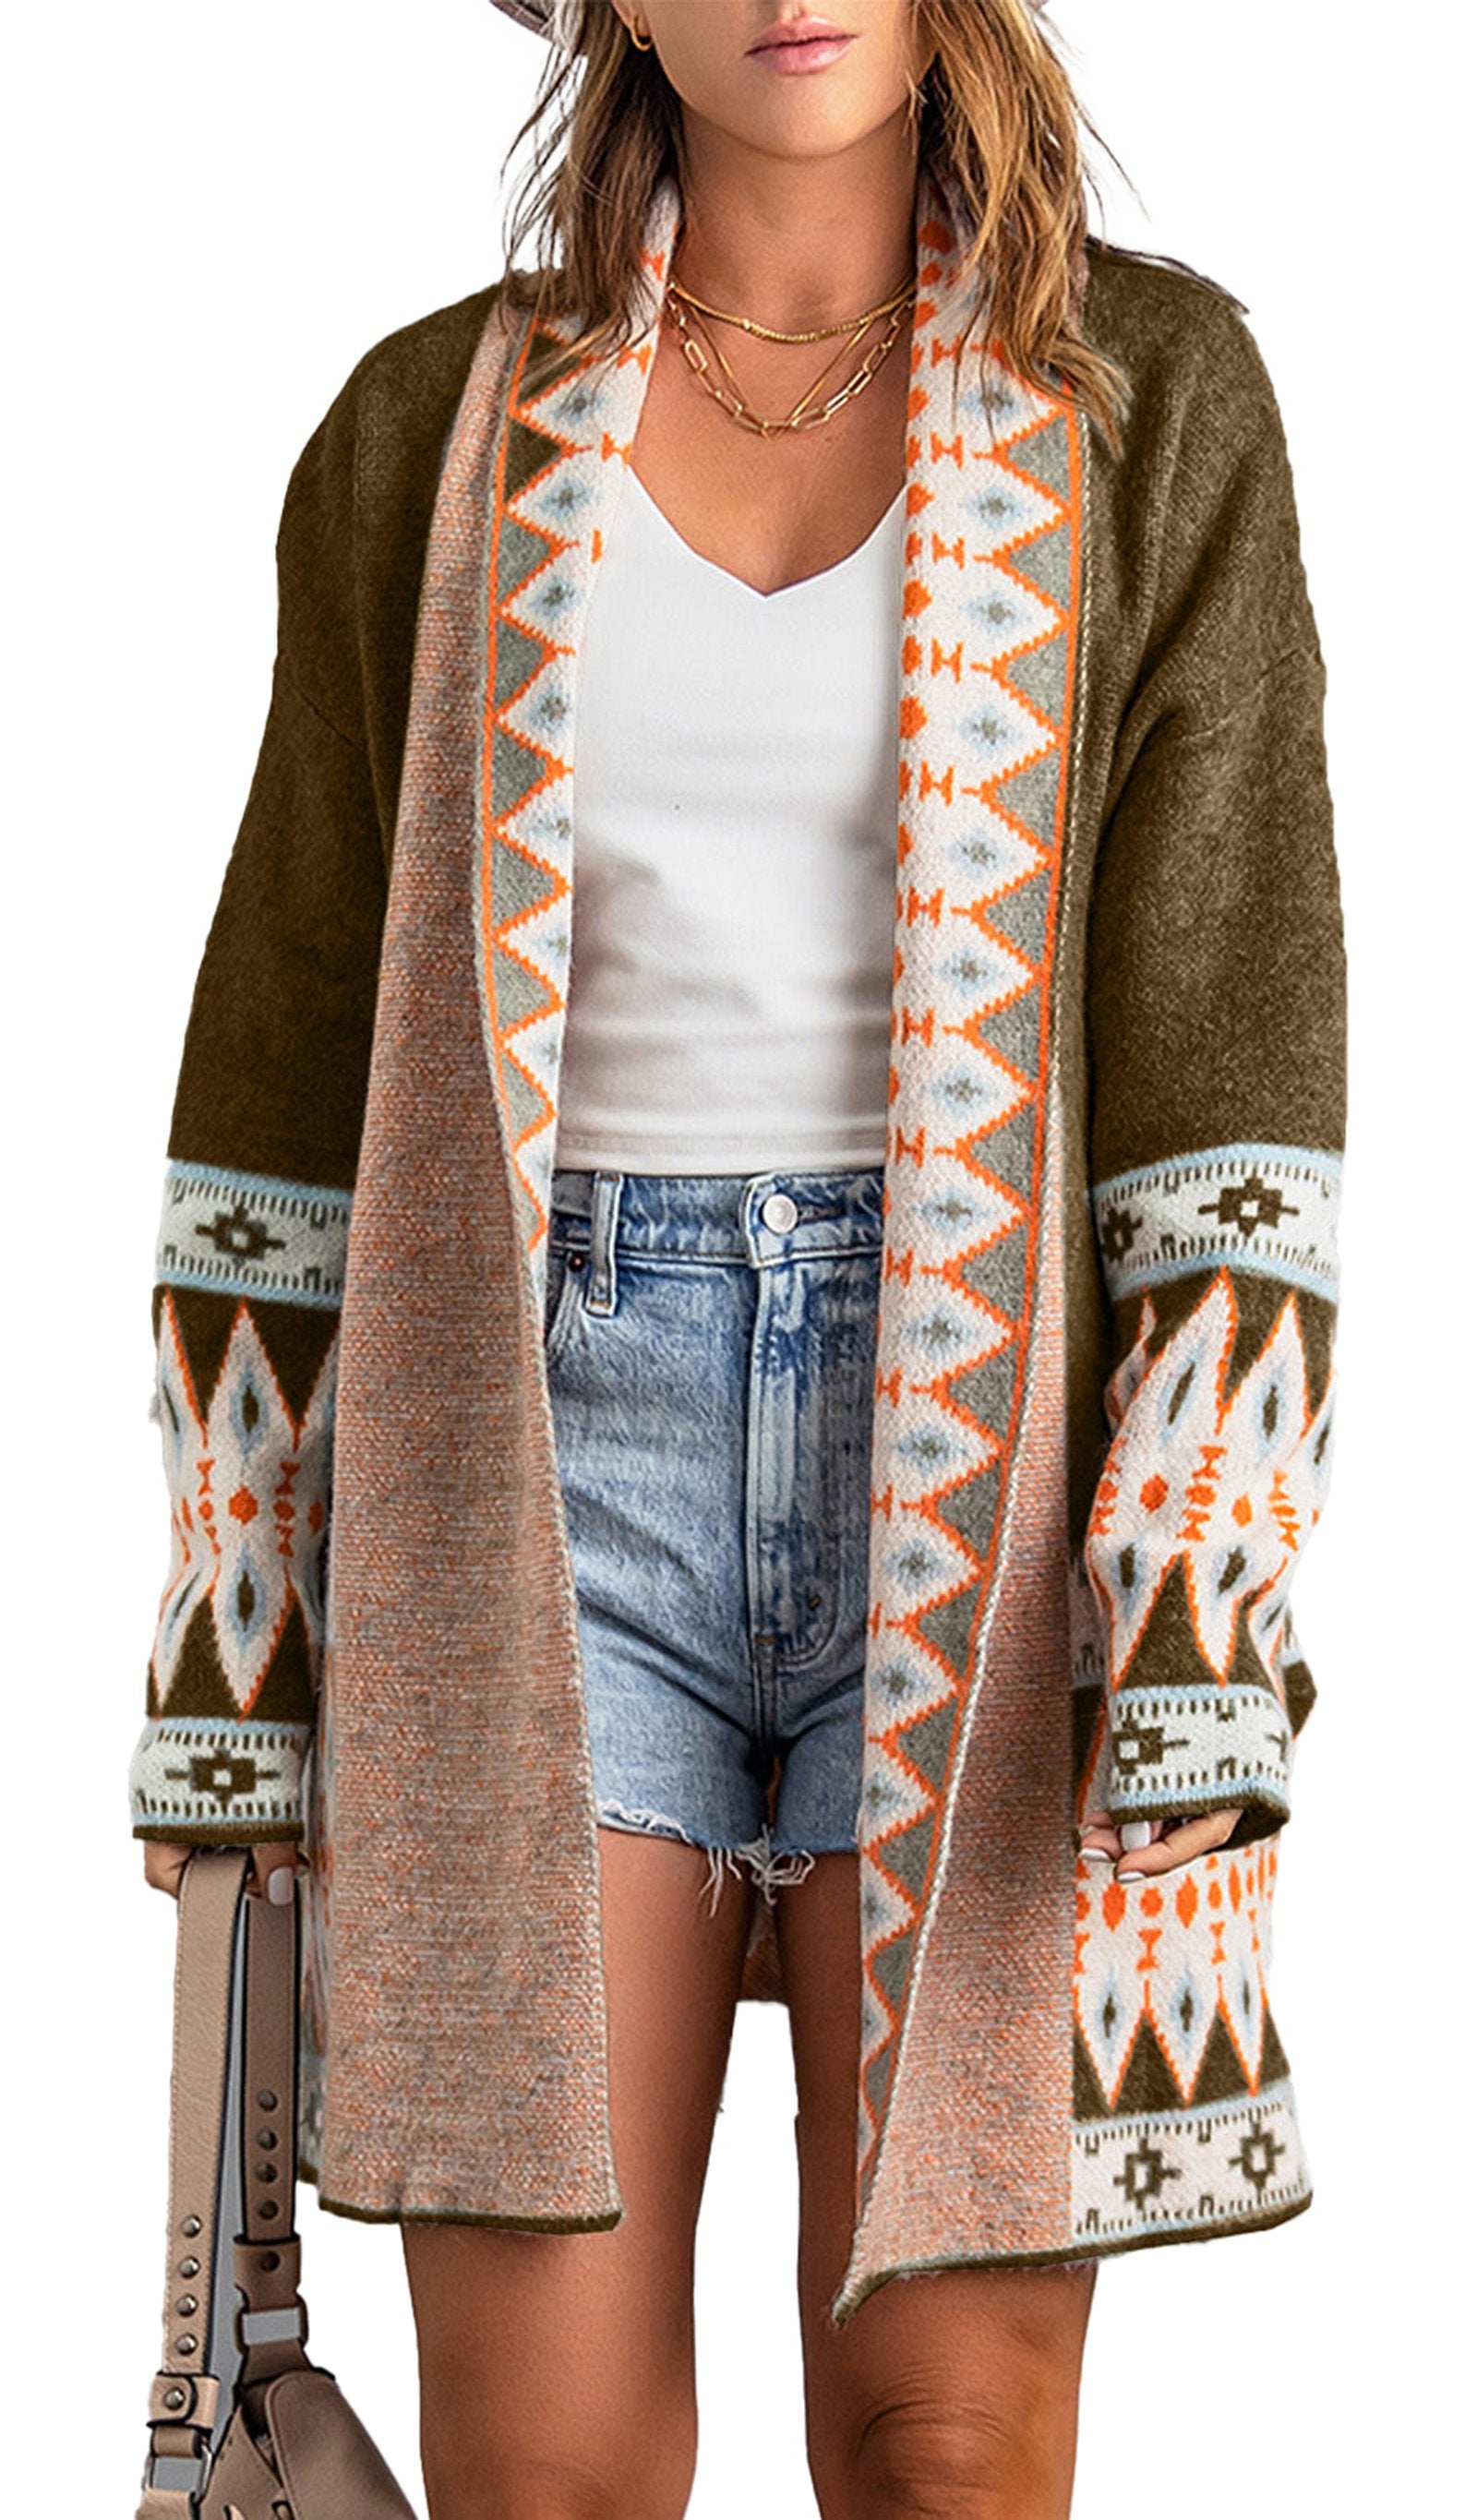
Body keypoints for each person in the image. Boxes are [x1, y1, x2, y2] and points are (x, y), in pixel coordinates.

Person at [134, 4, 1345, 2514]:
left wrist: (1200, 1602)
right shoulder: (426, 437)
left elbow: (1233, 1042)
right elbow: (277, 1059)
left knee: (947, 2452)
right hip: (538, 1477)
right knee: (550, 2476)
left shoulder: (1151, 401)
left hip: (994, 1497)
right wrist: (232, 1650)